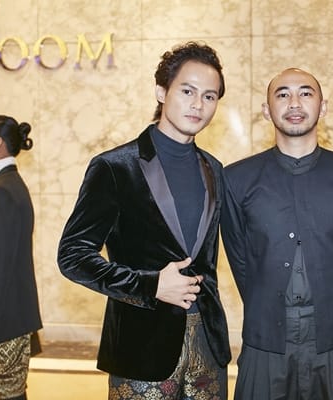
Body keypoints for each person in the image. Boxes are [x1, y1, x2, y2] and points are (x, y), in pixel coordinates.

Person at [57, 41, 231, 399]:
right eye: (187, 91)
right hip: (140, 346)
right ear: (161, 91)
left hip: (207, 347)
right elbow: (72, 256)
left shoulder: (214, 169)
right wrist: (150, 285)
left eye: (209, 96)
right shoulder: (115, 167)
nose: (198, 104)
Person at [221, 67, 333, 400]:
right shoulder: (236, 180)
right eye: (283, 94)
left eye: (306, 93)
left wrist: (327, 300)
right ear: (267, 110)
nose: (294, 102)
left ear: (323, 106)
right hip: (265, 340)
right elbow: (240, 260)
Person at [0, 115, 41, 400]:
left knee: (11, 395)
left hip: (1, 321)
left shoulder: (0, 191)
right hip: (8, 316)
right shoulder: (8, 184)